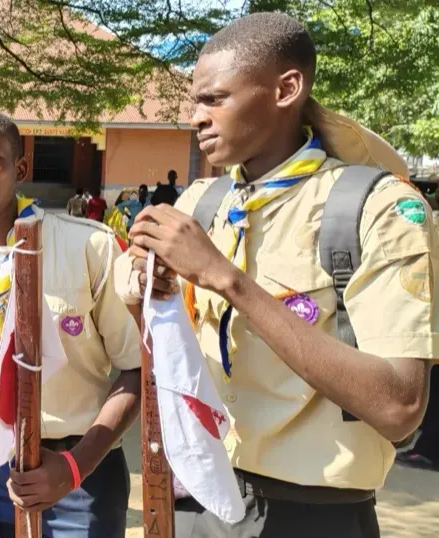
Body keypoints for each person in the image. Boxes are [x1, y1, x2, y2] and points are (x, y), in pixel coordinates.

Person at [126, 13, 432, 537]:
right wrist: (147, 297)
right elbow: (169, 357)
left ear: (286, 89)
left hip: (314, 511)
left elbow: (399, 405)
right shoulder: (204, 203)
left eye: (214, 99)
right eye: (195, 102)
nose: (196, 118)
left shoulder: (374, 206)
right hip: (198, 500)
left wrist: (227, 279)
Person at [0, 106, 140, 538]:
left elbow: (136, 367)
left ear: (20, 167)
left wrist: (75, 467)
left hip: (83, 475)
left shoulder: (88, 246)